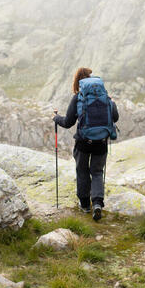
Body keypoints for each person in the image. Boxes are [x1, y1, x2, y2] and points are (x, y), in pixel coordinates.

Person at [53, 67, 119, 221]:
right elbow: (115, 118)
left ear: (78, 82)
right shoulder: (106, 98)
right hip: (101, 142)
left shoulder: (78, 98)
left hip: (83, 142)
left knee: (82, 170)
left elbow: (68, 122)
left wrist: (56, 118)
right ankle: (97, 203)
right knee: (96, 172)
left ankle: (84, 205)